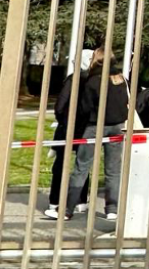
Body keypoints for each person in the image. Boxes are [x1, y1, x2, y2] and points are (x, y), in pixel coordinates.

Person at [63, 47, 129, 220]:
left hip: (94, 126)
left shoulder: (92, 81)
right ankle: (112, 208)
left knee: (81, 167)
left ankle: (68, 209)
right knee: (113, 170)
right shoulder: (121, 79)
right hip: (117, 126)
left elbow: (84, 108)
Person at [43, 49, 93, 219]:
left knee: (61, 164)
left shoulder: (73, 80)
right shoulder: (95, 81)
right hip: (86, 128)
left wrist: (62, 119)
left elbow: (60, 105)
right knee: (82, 165)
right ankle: (80, 200)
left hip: (68, 127)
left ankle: (55, 200)